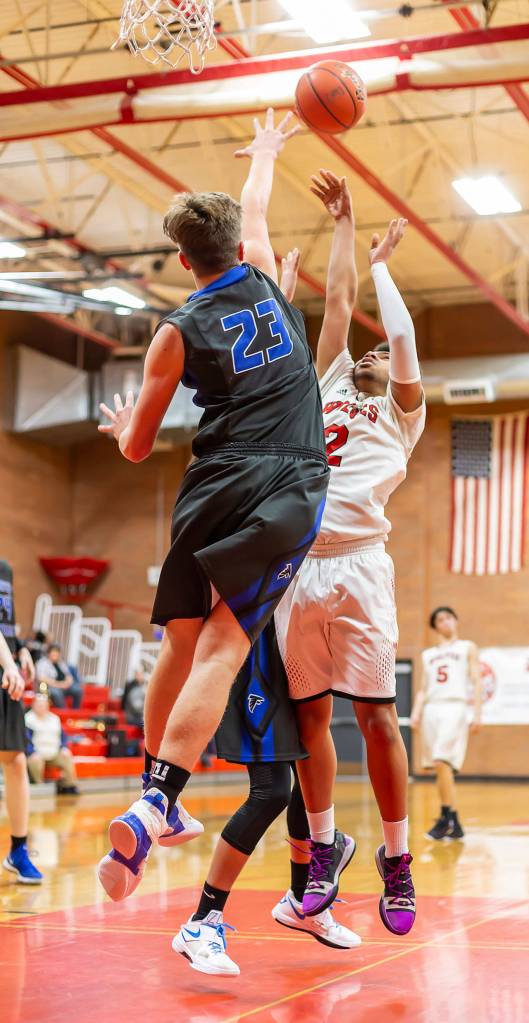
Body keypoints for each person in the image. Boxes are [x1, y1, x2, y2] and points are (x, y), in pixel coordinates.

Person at [97, 108, 329, 903]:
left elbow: (137, 448)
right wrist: (265, 151)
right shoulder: (262, 272)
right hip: (285, 483)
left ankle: (152, 793)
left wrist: (121, 427)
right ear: (235, 246)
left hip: (210, 483)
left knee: (180, 641)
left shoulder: (174, 329)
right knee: (224, 649)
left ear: (183, 258)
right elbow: (255, 206)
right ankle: (156, 800)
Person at [172, 141, 359, 976]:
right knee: (273, 786)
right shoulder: (275, 392)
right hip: (258, 607)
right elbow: (306, 289)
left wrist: (338, 231)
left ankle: (304, 900)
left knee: (306, 777)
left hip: (302, 600)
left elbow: (337, 305)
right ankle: (204, 919)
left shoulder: (314, 387)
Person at [275, 178, 426, 938]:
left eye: (379, 353)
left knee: (375, 718)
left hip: (362, 561)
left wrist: (383, 265)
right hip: (302, 565)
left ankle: (396, 861)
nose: (370, 352)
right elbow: (336, 303)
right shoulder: (329, 378)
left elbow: (399, 336)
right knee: (310, 718)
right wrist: (342, 224)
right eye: (366, 350)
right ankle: (324, 850)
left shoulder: (402, 412)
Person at [411, 606, 482, 840]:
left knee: (442, 759)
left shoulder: (467, 647)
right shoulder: (428, 655)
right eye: (440, 620)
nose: (446, 622)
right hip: (432, 708)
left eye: (449, 617)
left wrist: (477, 713)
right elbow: (423, 688)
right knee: (441, 767)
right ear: (435, 626)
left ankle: (446, 817)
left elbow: (476, 680)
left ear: (456, 621)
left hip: (455, 706)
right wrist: (416, 712)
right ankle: (453, 820)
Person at [0, 559, 42, 884]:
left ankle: (18, 849)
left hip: (6, 670)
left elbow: (5, 622)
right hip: (6, 668)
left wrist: (21, 650)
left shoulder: (6, 569)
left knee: (16, 761)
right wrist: (9, 664)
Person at [26, 691, 79, 794]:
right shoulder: (28, 720)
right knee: (35, 760)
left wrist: (64, 747)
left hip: (53, 753)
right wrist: (32, 752)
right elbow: (26, 740)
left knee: (67, 755)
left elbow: (63, 737)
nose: (41, 707)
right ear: (33, 705)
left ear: (48, 706)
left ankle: (69, 786)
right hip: (37, 754)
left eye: (43, 705)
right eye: (39, 705)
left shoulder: (54, 719)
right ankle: (40, 787)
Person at [35, 644, 83, 709]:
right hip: (50, 687)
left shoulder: (61, 663)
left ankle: (76, 710)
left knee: (77, 690)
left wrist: (67, 683)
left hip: (64, 686)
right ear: (49, 653)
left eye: (57, 653)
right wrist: (58, 684)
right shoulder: (42, 663)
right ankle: (63, 711)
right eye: (53, 652)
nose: (55, 655)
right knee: (56, 693)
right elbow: (41, 678)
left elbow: (69, 676)